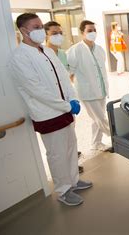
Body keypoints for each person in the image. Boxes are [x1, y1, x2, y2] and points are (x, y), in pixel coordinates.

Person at [8, 13, 92, 207]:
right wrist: (65, 105)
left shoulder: (47, 51)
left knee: (71, 147)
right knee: (56, 154)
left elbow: (63, 77)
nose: (40, 30)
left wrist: (73, 99)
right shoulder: (19, 57)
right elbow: (37, 90)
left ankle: (74, 180)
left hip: (64, 111)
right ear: (23, 31)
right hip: (47, 114)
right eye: (36, 27)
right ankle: (63, 190)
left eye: (40, 26)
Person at [44, 20, 84, 173]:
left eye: (60, 33)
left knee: (70, 132)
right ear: (45, 35)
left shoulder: (62, 53)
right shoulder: (43, 54)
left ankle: (72, 164)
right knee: (58, 142)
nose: (58, 36)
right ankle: (67, 169)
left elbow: (68, 76)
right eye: (54, 33)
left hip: (67, 99)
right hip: (54, 103)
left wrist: (72, 96)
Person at [67, 20, 111, 151]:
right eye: (89, 31)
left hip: (101, 89)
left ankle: (96, 143)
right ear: (82, 33)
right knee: (100, 118)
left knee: (96, 119)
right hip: (87, 91)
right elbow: (69, 72)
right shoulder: (75, 50)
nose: (93, 33)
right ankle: (116, 136)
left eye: (94, 30)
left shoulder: (100, 49)